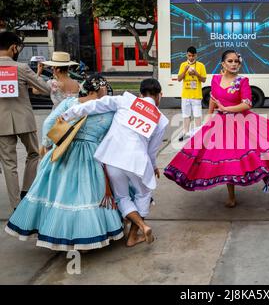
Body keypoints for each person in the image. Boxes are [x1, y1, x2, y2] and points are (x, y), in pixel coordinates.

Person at [5, 74, 123, 251]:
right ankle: (84, 235)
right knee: (86, 193)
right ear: (99, 89)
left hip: (64, 151)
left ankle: (58, 233)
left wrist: (46, 145)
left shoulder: (70, 103)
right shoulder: (108, 110)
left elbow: (49, 124)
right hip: (92, 155)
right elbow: (111, 137)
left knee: (59, 192)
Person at [164, 50, 269, 209]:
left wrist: (226, 108)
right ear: (223, 64)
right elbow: (213, 99)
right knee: (227, 163)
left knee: (261, 158)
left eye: (236, 61)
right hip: (221, 124)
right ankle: (231, 197)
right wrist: (208, 117)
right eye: (230, 61)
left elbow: (247, 103)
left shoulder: (242, 81)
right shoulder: (216, 79)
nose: (233, 64)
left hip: (243, 123)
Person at [61, 79, 168, 247]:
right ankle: (135, 233)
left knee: (122, 197)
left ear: (140, 94)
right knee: (143, 194)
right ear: (159, 96)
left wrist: (69, 113)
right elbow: (152, 150)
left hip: (112, 157)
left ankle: (141, 226)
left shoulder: (126, 100)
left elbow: (95, 105)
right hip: (136, 161)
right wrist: (153, 166)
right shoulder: (161, 119)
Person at [0, 31, 51, 210]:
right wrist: (38, 75)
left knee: (8, 164)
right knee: (34, 154)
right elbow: (44, 88)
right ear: (14, 47)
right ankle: (26, 190)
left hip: (1, 124)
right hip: (24, 121)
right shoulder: (21, 68)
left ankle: (16, 205)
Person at [177, 46, 207, 141]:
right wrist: (185, 70)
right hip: (185, 95)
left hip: (196, 96)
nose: (191, 58)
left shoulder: (201, 65)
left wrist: (196, 74)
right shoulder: (183, 65)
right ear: (186, 55)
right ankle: (186, 133)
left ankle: (198, 134)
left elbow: (204, 80)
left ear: (196, 55)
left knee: (197, 115)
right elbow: (179, 79)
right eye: (189, 56)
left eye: (193, 56)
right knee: (186, 115)